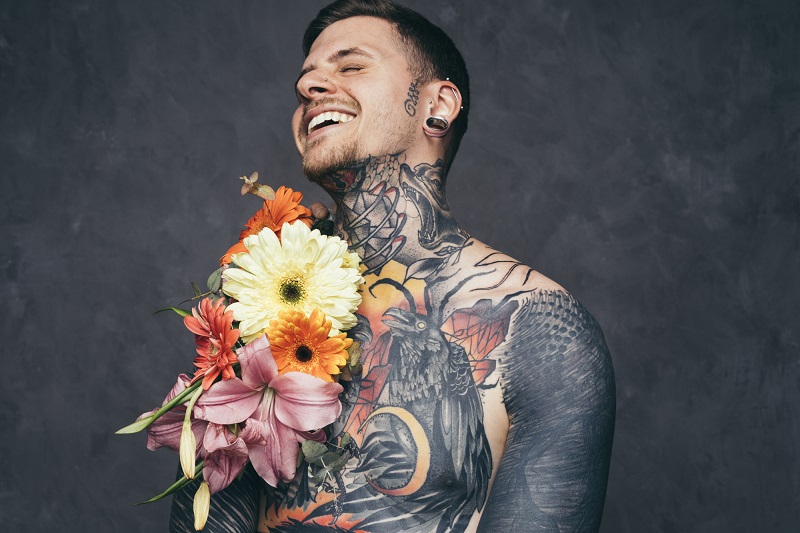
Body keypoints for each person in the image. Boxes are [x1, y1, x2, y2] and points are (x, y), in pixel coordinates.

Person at [170, 1, 615, 531]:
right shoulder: (256, 307)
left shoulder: (540, 330)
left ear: (439, 105)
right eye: (305, 80)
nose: (311, 87)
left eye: (350, 65)